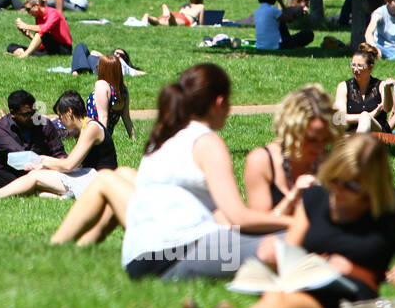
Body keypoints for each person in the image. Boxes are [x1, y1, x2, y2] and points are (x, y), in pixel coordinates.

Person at [184, 134, 395, 308]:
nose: (339, 192)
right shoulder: (315, 199)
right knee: (281, 295)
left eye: (352, 187)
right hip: (305, 278)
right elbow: (289, 251)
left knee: (288, 304)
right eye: (335, 181)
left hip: (353, 297)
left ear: (374, 184)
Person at [51, 64, 291, 268]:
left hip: (146, 251)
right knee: (282, 244)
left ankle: (64, 249)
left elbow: (214, 211)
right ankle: (59, 248)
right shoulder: (207, 142)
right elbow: (237, 215)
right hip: (172, 253)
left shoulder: (167, 133)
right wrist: (294, 222)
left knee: (121, 174)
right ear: (219, 102)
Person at [0, 91, 114, 201]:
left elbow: (69, 165)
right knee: (39, 190)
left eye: (60, 116)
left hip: (98, 179)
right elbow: (71, 163)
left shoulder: (91, 128)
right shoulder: (85, 128)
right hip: (89, 175)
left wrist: (43, 161)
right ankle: (59, 195)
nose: (60, 120)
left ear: (69, 112)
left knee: (35, 177)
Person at [244, 84, 341, 216]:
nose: (319, 148)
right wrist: (294, 195)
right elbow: (259, 224)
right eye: (311, 140)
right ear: (291, 132)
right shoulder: (263, 160)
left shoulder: (331, 161)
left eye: (325, 139)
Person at [333, 44, 390, 133]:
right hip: (352, 131)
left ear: (370, 67)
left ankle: (358, 145)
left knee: (365, 117)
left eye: (360, 66)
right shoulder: (343, 87)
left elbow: (387, 108)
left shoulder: (381, 86)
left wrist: (388, 89)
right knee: (365, 116)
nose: (355, 69)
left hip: (377, 131)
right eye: (353, 65)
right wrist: (370, 115)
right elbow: (339, 118)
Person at [86, 53, 134, 152]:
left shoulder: (102, 86)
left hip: (88, 134)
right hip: (101, 135)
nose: (97, 67)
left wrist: (102, 145)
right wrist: (134, 139)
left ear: (105, 70)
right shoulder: (123, 91)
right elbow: (126, 118)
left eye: (99, 66)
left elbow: (103, 117)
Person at [9, 0, 74, 57]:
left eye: (28, 9)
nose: (28, 13)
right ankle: (23, 53)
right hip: (49, 47)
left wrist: (26, 26)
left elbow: (44, 29)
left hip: (64, 49)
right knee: (11, 46)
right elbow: (41, 42)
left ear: (36, 6)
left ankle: (25, 54)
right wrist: (29, 35)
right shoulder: (38, 16)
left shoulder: (53, 13)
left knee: (42, 32)